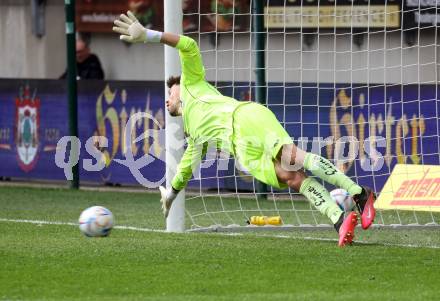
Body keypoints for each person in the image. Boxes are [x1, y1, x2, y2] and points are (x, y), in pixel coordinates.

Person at [112, 11, 376, 247]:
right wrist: (171, 193)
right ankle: (338, 219)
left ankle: (359, 194)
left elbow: (189, 45)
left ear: (179, 86)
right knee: (291, 177)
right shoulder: (194, 134)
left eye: (169, 91)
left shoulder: (192, 82)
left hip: (246, 117)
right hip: (243, 152)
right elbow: (186, 166)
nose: (167, 96)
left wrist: (148, 35)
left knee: (292, 157)